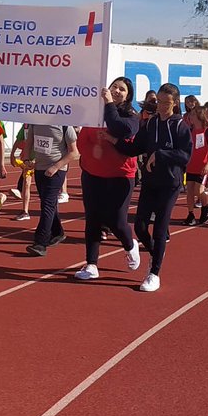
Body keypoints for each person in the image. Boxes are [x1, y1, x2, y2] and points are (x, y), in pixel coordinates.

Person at [114, 82, 191, 291]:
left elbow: (185, 156)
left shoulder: (180, 126)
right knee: (139, 226)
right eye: (159, 102)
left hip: (170, 183)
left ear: (175, 104)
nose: (162, 106)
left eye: (167, 103)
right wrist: (114, 141)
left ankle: (154, 273)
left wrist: (160, 154)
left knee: (159, 229)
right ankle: (157, 252)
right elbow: (135, 147)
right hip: (150, 181)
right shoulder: (150, 124)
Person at [74, 77, 143, 280]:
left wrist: (109, 104)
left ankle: (130, 245)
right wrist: (90, 156)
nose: (116, 91)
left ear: (128, 95)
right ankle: (91, 264)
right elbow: (83, 139)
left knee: (117, 220)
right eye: (114, 87)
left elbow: (122, 129)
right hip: (93, 174)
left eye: (122, 89)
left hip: (120, 176)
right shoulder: (95, 113)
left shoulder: (130, 116)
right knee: (93, 219)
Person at [24, 124, 79, 256]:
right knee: (48, 202)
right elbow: (28, 143)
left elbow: (74, 153)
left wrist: (56, 167)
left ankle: (40, 243)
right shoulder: (35, 124)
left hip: (56, 171)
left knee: (47, 205)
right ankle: (57, 232)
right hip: (39, 169)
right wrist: (26, 159)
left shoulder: (65, 126)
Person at [182, 105, 208, 226]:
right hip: (190, 166)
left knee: (199, 189)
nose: (190, 117)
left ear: (200, 117)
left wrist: (207, 164)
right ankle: (190, 214)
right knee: (189, 191)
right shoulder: (189, 131)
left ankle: (205, 207)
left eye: (193, 114)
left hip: (202, 167)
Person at [9, 124, 34, 220]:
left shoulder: (41, 126)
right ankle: (25, 211)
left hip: (40, 159)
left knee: (41, 186)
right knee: (27, 182)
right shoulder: (26, 126)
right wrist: (12, 154)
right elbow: (18, 139)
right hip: (27, 158)